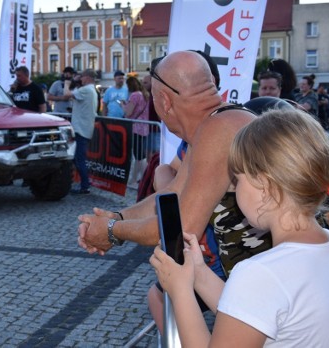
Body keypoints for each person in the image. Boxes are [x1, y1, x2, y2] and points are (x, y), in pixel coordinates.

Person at [77, 51, 271, 335]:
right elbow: (169, 196)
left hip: (267, 291)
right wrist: (116, 216)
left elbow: (178, 228)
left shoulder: (219, 130)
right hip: (256, 283)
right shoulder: (214, 125)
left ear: (164, 101)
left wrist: (111, 231)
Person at [150, 108, 329, 346]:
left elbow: (259, 293)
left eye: (238, 180)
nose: (234, 189)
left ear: (265, 187)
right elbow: (249, 313)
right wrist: (198, 271)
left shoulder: (261, 273)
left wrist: (180, 292)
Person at [61, 69, 98, 194]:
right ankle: (84, 184)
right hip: (84, 128)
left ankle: (84, 185)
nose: (80, 79)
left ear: (87, 77)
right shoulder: (91, 90)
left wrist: (67, 82)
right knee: (79, 158)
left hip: (81, 129)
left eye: (82, 77)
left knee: (79, 158)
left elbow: (66, 94)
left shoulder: (86, 90)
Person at [120, 76, 150, 187]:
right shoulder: (145, 94)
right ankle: (135, 180)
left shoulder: (134, 95)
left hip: (135, 128)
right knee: (139, 155)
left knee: (139, 156)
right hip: (145, 128)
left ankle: (146, 179)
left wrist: (123, 105)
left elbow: (128, 113)